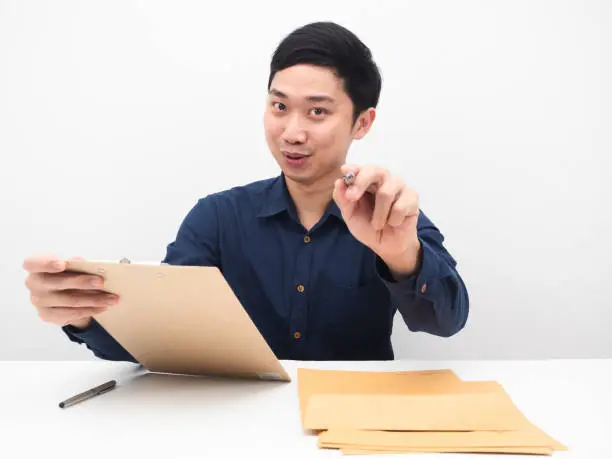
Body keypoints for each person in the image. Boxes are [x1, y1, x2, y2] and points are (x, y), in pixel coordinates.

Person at [23, 21, 469, 362]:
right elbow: (162, 338)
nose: (292, 132)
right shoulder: (217, 218)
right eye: (279, 106)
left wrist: (402, 257)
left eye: (317, 111)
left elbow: (446, 321)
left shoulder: (388, 212)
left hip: (351, 426)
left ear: (362, 122)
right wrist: (83, 313)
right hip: (234, 426)